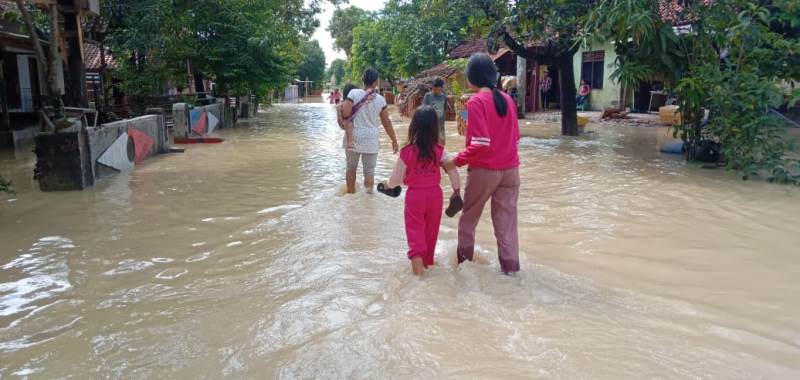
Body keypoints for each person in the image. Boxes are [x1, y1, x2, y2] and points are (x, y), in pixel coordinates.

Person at [443, 53, 521, 274]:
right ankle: (511, 271)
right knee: (506, 227)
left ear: (471, 77)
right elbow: (516, 138)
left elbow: (480, 143)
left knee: (468, 221)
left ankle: (464, 268)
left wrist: (455, 161)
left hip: (485, 171)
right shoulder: (508, 100)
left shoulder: (475, 101)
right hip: (511, 171)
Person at [383, 106, 460, 276]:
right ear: (435, 128)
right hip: (435, 196)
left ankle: (418, 279)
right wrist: (456, 191)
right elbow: (453, 171)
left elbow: (396, 179)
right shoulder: (440, 151)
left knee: (415, 234)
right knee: (430, 235)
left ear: (414, 126)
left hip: (415, 197)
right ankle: (427, 266)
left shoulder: (407, 151)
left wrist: (387, 185)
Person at [341, 68, 400, 194]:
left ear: (363, 80)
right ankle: (368, 200)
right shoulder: (380, 100)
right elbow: (387, 123)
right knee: (369, 171)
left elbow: (345, 113)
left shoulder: (353, 93)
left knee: (351, 168)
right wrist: (394, 140)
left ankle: (351, 195)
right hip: (371, 139)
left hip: (354, 136)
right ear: (376, 81)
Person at [422, 78, 449, 144]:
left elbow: (445, 110)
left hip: (440, 126)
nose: (437, 91)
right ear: (433, 87)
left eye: (439, 89)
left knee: (441, 145)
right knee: (430, 145)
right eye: (435, 89)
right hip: (429, 126)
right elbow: (423, 110)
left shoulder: (444, 96)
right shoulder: (428, 96)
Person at [337, 84, 357, 149]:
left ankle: (350, 142)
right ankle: (350, 142)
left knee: (350, 159)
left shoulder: (342, 104)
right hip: (348, 123)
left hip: (347, 129)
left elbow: (340, 123)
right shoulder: (358, 103)